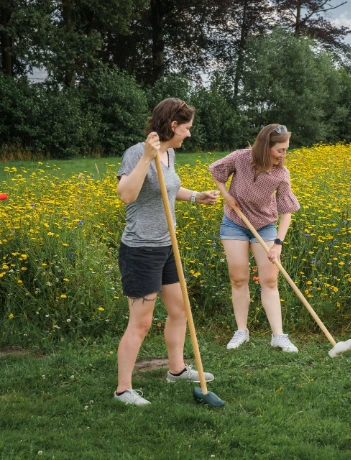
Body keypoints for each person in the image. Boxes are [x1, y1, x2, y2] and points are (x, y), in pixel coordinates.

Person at [114, 98, 220, 406]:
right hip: (141, 249)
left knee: (179, 310)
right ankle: (123, 390)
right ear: (173, 125)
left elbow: (168, 190)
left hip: (166, 245)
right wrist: (147, 158)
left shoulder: (170, 152)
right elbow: (126, 195)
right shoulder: (137, 152)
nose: (188, 134)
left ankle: (176, 370)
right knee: (141, 322)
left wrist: (195, 196)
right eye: (186, 128)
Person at [209, 124, 300, 352]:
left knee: (270, 281)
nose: (284, 155)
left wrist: (278, 243)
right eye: (280, 150)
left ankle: (278, 335)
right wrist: (226, 195)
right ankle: (242, 331)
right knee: (238, 279)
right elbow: (216, 171)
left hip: (265, 226)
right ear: (264, 146)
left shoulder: (281, 174)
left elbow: (286, 210)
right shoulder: (241, 158)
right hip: (235, 222)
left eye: (286, 149)